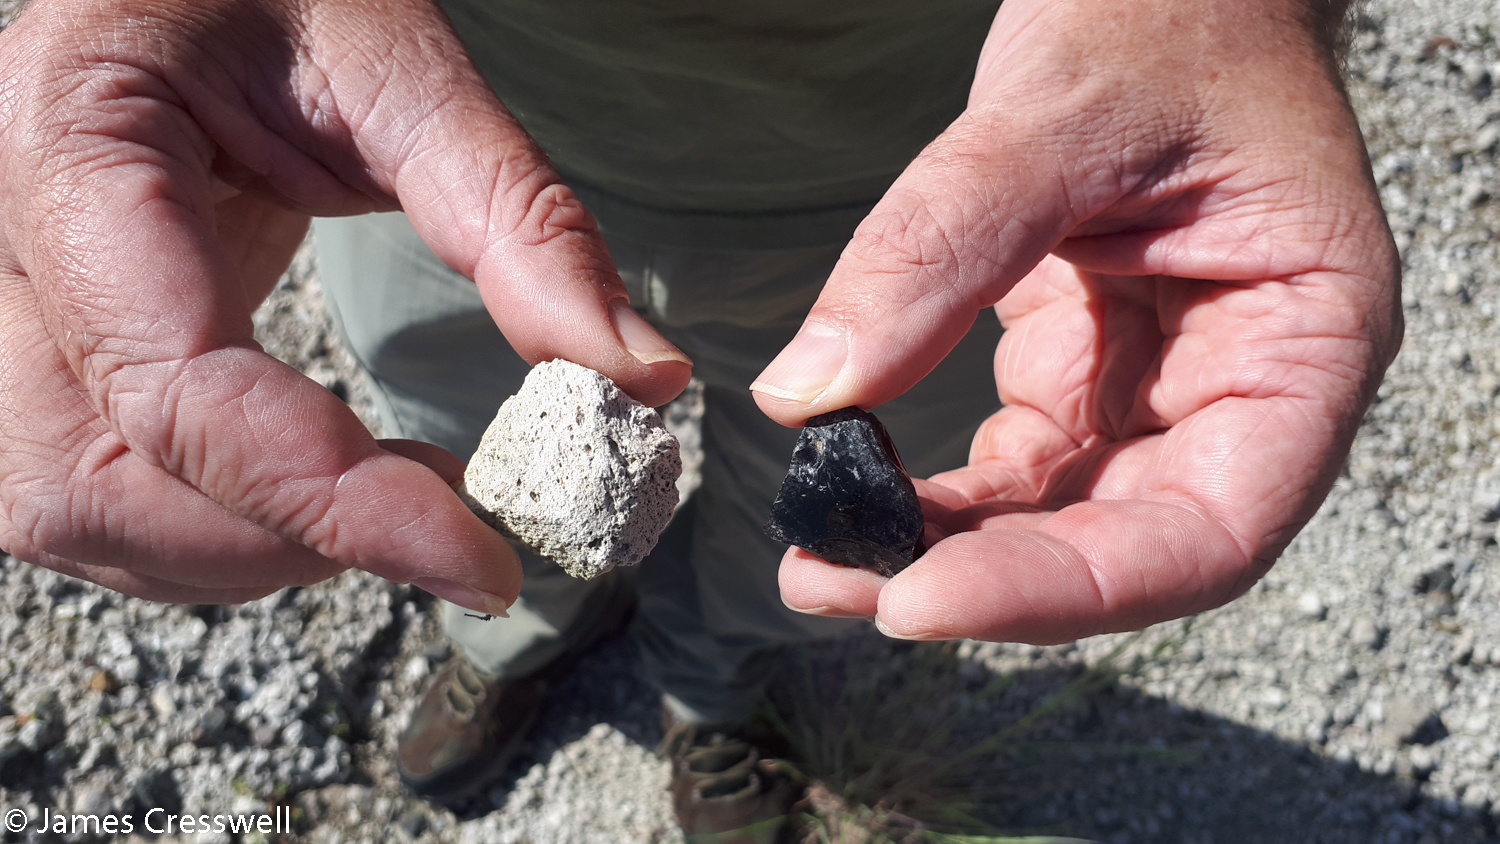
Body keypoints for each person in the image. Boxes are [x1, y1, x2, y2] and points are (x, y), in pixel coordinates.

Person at [0, 0, 1401, 838]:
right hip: (411, 141)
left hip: (960, 173)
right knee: (454, 475)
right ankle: (515, 626)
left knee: (819, 549)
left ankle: (715, 689)